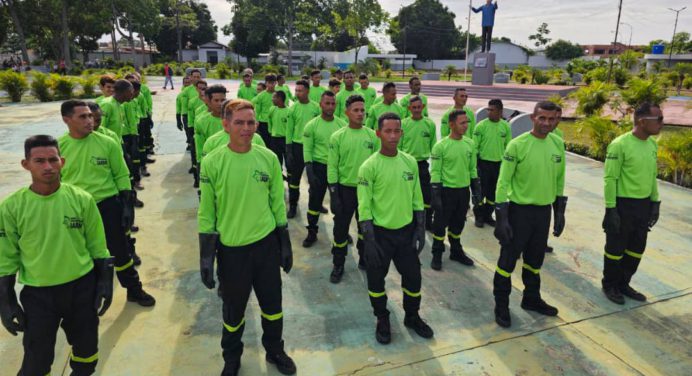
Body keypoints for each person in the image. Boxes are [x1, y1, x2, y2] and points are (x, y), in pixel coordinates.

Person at [0, 135, 114, 376]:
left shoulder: (82, 200)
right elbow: (5, 256)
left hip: (82, 289)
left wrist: (104, 282)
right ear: (25, 164)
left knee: (87, 355)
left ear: (62, 161)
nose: (48, 167)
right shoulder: (11, 207)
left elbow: (98, 247)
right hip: (38, 294)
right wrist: (6, 299)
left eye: (53, 160)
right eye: (39, 161)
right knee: (36, 362)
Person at [198, 99, 296, 376]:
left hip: (265, 246)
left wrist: (284, 242)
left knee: (272, 305)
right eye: (239, 122)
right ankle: (232, 356)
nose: (246, 128)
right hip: (232, 250)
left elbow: (277, 202)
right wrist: (206, 254)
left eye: (251, 122)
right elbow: (207, 211)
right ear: (225, 124)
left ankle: (275, 349)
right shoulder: (212, 162)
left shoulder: (268, 158)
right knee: (233, 310)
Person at [58, 99, 155, 306]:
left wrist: (127, 204)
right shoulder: (59, 147)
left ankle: (133, 290)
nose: (90, 120)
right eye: (83, 116)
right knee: (81, 253)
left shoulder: (107, 142)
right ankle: (87, 296)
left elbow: (121, 174)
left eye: (90, 116)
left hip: (107, 204)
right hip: (74, 208)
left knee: (120, 250)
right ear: (67, 120)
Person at [357, 112, 433, 345]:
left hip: (406, 233)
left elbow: (417, 197)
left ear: (402, 133)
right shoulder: (369, 167)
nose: (392, 136)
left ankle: (412, 315)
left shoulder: (409, 161)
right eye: (387, 131)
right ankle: (382, 317)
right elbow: (364, 206)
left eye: (396, 131)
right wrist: (368, 241)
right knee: (376, 281)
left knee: (413, 278)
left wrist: (420, 229)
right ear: (378, 133)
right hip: (379, 235)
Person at [492, 101, 566, 328]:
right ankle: (501, 305)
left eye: (551, 119)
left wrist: (559, 212)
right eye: (542, 118)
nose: (546, 123)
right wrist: (501, 218)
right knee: (507, 261)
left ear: (557, 120)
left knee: (535, 260)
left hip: (542, 213)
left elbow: (559, 178)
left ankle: (531, 298)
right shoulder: (517, 145)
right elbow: (503, 181)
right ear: (533, 118)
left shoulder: (557, 144)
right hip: (518, 212)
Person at [601, 102, 662, 305]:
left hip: (643, 205)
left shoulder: (652, 144)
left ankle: (623, 283)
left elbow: (652, 176)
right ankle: (610, 285)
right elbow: (610, 179)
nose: (662, 123)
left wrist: (655, 202)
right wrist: (611, 209)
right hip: (622, 205)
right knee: (615, 249)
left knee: (637, 248)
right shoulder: (620, 145)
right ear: (642, 121)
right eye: (659, 119)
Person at [327, 95, 379, 283]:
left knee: (365, 227)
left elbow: (377, 165)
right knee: (340, 230)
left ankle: (364, 257)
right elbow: (332, 166)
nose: (360, 114)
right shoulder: (338, 137)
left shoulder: (372, 136)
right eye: (355, 110)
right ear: (346, 112)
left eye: (362, 110)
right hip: (344, 190)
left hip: (366, 191)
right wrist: (334, 194)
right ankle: (338, 263)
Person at [430, 110, 481, 270]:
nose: (466, 126)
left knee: (458, 223)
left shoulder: (470, 144)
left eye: (467, 122)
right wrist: (436, 196)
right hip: (446, 192)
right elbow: (436, 172)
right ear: (451, 125)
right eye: (462, 123)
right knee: (440, 225)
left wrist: (476, 190)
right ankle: (437, 254)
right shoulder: (441, 146)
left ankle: (456, 251)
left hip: (463, 192)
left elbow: (472, 169)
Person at [302, 91, 347, 247]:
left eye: (332, 103)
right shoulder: (311, 125)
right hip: (319, 168)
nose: (330, 106)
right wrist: (309, 169)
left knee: (340, 204)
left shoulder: (342, 125)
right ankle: (312, 233)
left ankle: (342, 232)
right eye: (327, 103)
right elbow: (307, 149)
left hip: (337, 169)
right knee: (314, 203)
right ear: (320, 104)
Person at [472, 99, 511, 228]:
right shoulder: (481, 126)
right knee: (480, 192)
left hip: (498, 165)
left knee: (492, 193)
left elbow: (508, 146)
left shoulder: (505, 126)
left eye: (492, 110)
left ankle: (488, 215)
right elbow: (474, 147)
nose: (489, 112)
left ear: (500, 111)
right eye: (488, 109)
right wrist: (475, 165)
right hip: (483, 164)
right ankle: (479, 217)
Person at [400, 96, 437, 230]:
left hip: (422, 165)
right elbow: (398, 146)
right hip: (406, 165)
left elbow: (434, 147)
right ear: (409, 108)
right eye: (413, 107)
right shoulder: (403, 124)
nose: (416, 110)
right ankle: (409, 222)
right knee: (407, 194)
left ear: (423, 107)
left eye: (418, 107)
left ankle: (427, 222)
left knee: (426, 196)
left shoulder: (430, 124)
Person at [286, 79, 321, 218]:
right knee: (294, 180)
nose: (297, 93)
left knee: (315, 179)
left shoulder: (316, 108)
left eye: (300, 90)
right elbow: (289, 130)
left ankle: (318, 204)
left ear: (307, 91)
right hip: (297, 147)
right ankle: (293, 205)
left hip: (313, 148)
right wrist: (288, 149)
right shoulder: (293, 108)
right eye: (296, 90)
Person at [194, 85, 228, 169]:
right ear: (209, 101)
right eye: (216, 100)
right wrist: (200, 164)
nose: (220, 103)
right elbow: (200, 146)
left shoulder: (234, 119)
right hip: (211, 164)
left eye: (222, 100)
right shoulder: (201, 122)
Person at [546, 105, 564, 252]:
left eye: (558, 118)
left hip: (552, 181)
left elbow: (560, 164)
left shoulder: (559, 137)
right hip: (537, 182)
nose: (555, 122)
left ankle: (541, 242)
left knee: (546, 215)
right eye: (553, 118)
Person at [252, 74, 277, 146]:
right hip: (264, 123)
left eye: (273, 83)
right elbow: (257, 111)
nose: (271, 85)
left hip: (276, 122)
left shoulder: (278, 95)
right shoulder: (261, 96)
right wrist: (256, 122)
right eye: (269, 83)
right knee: (265, 144)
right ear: (266, 83)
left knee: (274, 144)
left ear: (276, 83)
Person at [267, 90, 290, 169]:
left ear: (279, 98)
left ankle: (290, 179)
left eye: (274, 97)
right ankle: (279, 177)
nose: (272, 99)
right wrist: (270, 131)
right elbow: (269, 120)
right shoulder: (272, 109)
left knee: (288, 161)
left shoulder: (289, 111)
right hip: (275, 139)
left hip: (285, 139)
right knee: (276, 160)